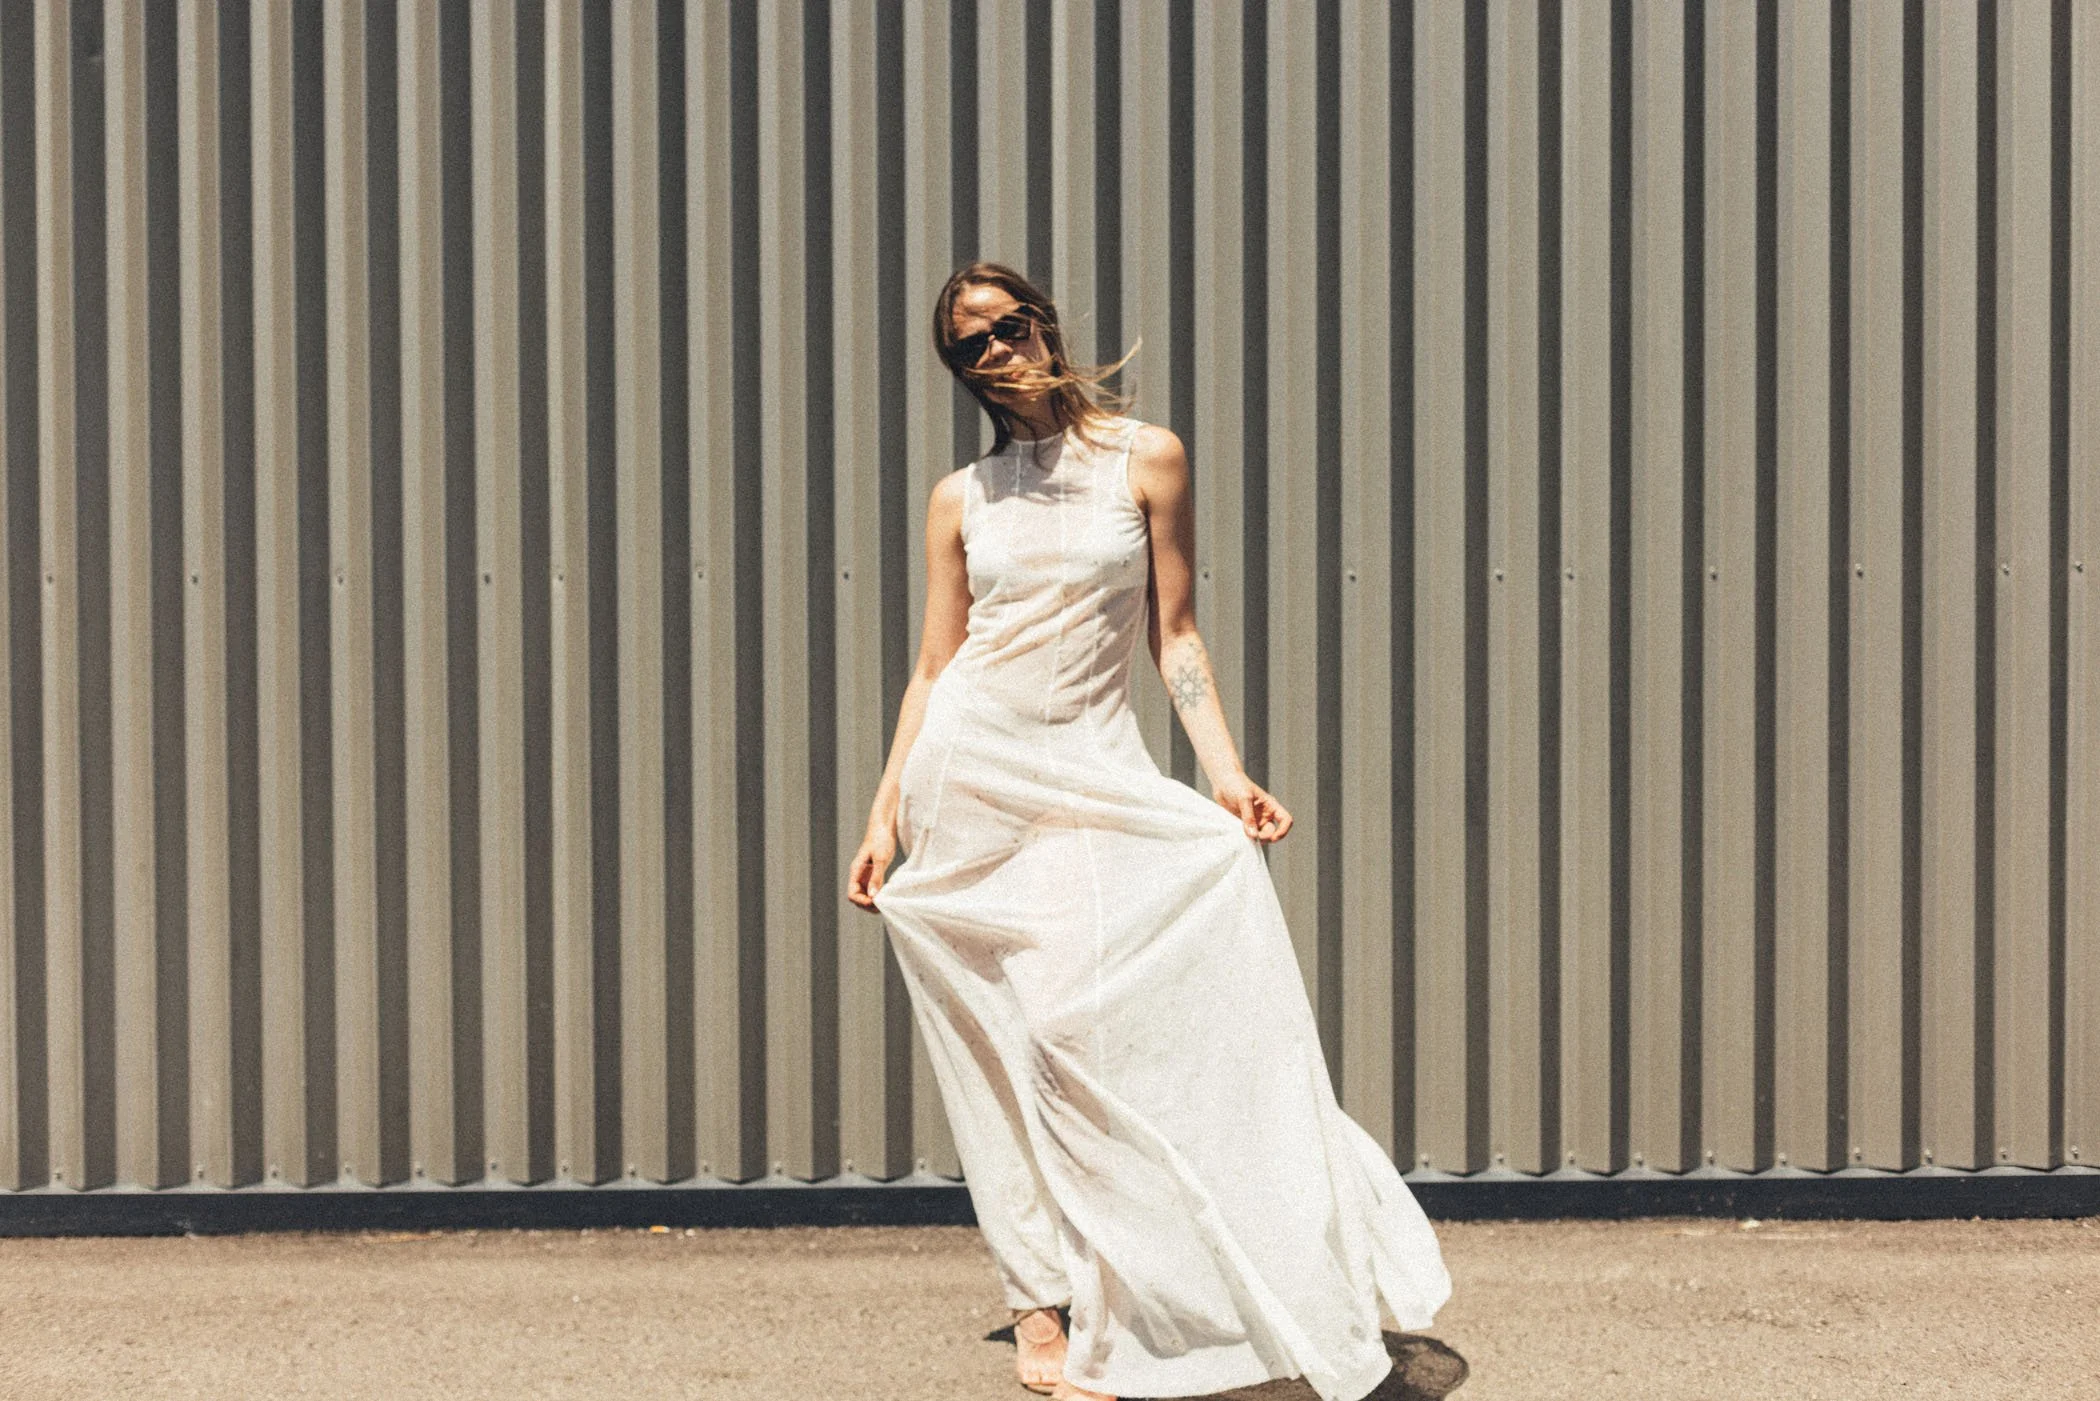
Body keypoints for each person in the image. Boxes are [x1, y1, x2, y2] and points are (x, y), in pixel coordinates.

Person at [846, 261, 1452, 1401]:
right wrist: (883, 815)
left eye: (1004, 326)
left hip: (1092, 772)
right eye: (966, 345)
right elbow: (936, 663)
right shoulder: (962, 497)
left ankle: (1143, 1290)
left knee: (1082, 1035)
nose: (992, 352)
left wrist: (1226, 775)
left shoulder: (1148, 455)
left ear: (1044, 320)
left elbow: (1174, 633)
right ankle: (1038, 1304)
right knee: (999, 1036)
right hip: (969, 774)